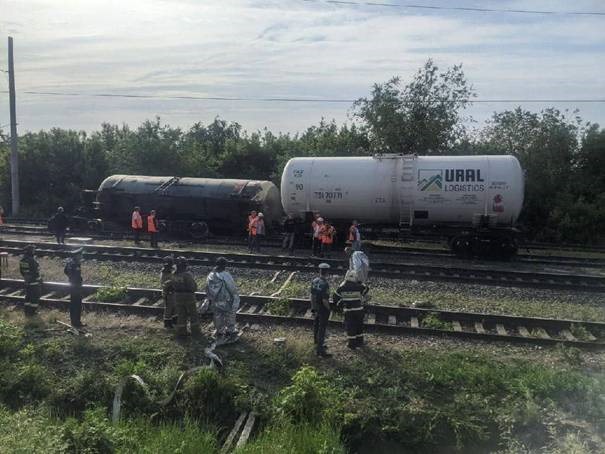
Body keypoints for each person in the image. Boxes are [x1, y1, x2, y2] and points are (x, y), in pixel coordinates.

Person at [206, 257, 241, 343]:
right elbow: (232, 288)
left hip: (215, 300)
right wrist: (235, 297)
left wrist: (210, 298)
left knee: (217, 315)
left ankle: (220, 331)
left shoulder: (210, 275)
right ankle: (230, 331)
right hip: (226, 299)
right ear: (224, 265)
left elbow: (207, 288)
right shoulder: (225, 275)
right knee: (230, 314)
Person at [164, 256, 201, 338]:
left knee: (181, 314)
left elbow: (171, 284)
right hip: (188, 296)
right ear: (184, 265)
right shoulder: (187, 275)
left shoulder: (174, 274)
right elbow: (193, 287)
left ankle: (182, 331)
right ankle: (195, 331)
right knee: (193, 314)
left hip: (177, 296)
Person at [333, 270, 369, 349]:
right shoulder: (359, 286)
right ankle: (360, 342)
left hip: (348, 311)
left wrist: (340, 304)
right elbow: (366, 288)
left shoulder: (342, 287)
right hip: (359, 310)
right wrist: (360, 282)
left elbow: (335, 297)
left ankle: (352, 344)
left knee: (351, 327)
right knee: (359, 326)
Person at [310, 262, 332, 358]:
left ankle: (316, 343)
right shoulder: (325, 284)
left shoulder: (314, 281)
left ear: (320, 271)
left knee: (316, 326)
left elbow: (312, 295)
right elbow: (325, 300)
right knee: (322, 329)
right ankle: (320, 351)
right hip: (323, 309)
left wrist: (313, 308)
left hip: (316, 307)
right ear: (327, 272)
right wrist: (329, 309)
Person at [64, 248, 84, 327]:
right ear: (77, 255)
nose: (81, 256)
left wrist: (70, 278)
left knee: (73, 304)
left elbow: (65, 271)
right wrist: (77, 281)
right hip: (76, 286)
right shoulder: (75, 264)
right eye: (80, 255)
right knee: (77, 304)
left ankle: (74, 321)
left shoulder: (70, 262)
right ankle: (76, 322)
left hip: (72, 285)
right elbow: (76, 275)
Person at [19, 245, 41, 316]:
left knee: (28, 296)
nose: (34, 251)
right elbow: (35, 271)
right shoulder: (32, 260)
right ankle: (33, 312)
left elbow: (22, 271)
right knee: (35, 296)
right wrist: (39, 280)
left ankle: (27, 311)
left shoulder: (22, 260)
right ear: (30, 251)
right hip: (34, 281)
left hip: (27, 281)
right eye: (33, 250)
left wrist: (26, 278)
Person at [160, 256, 176, 328]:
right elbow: (164, 284)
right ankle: (167, 323)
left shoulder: (172, 270)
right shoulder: (164, 272)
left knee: (174, 307)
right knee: (168, 308)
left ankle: (174, 321)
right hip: (168, 292)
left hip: (173, 292)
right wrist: (171, 281)